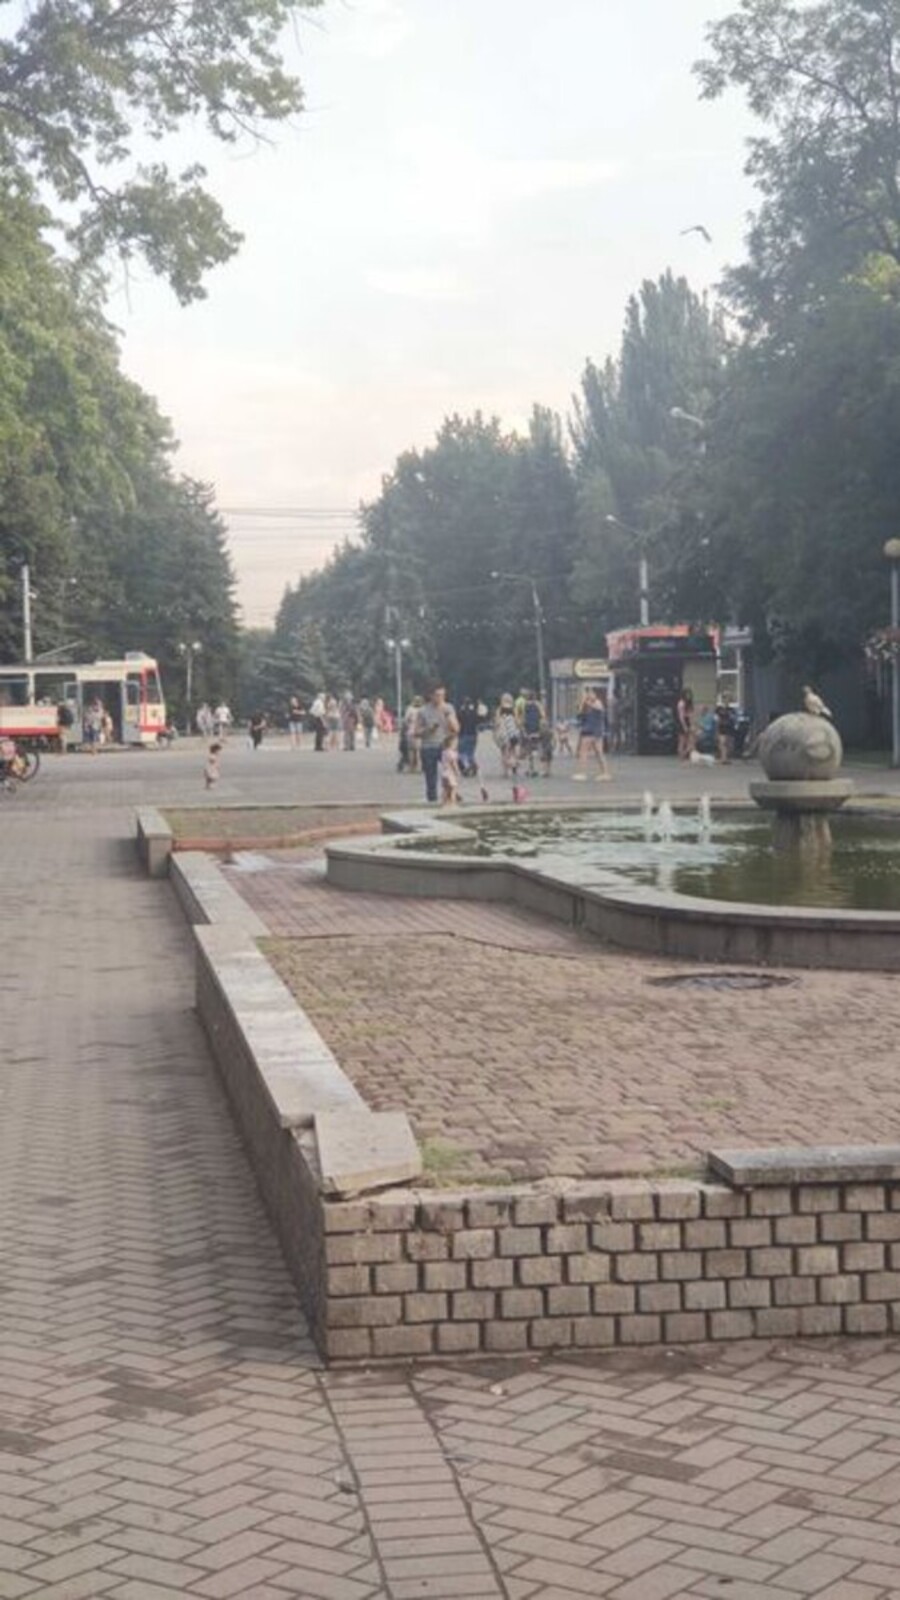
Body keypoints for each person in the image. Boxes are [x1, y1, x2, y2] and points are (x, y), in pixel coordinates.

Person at [415, 686, 458, 803]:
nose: (440, 698)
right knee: (431, 777)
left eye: (443, 695)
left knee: (449, 774)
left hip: (445, 747)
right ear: (431, 696)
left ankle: (451, 796)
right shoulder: (423, 711)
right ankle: (432, 800)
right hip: (428, 747)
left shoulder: (448, 708)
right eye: (438, 695)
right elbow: (416, 732)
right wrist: (428, 729)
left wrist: (449, 719)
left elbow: (456, 729)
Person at [574, 688, 611, 781]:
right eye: (588, 693)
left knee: (587, 752)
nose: (588, 695)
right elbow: (580, 715)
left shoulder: (597, 703)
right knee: (596, 752)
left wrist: (587, 702)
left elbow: (599, 708)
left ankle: (583, 773)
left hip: (594, 731)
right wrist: (583, 704)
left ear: (595, 694)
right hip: (589, 730)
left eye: (590, 693)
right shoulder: (586, 706)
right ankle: (604, 773)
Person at [493, 694, 521, 776]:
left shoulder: (499, 710)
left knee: (503, 752)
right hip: (512, 733)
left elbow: (497, 723)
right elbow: (517, 722)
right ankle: (514, 765)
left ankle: (505, 771)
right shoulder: (514, 709)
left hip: (503, 734)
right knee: (513, 751)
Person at [520, 690, 545, 777]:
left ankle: (531, 769)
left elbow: (523, 718)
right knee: (539, 747)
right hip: (537, 729)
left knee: (529, 749)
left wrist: (523, 728)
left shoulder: (525, 705)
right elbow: (543, 715)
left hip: (528, 729)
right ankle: (542, 769)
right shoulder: (538, 704)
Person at [457, 697, 480, 776]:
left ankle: (467, 766)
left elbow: (458, 722)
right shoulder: (474, 712)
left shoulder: (460, 713)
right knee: (470, 753)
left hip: (463, 734)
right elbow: (478, 721)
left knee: (461, 753)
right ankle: (473, 765)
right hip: (473, 734)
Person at [440, 735, 462, 804]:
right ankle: (452, 801)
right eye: (456, 743)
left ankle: (444, 801)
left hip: (444, 773)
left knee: (446, 789)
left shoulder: (444, 752)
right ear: (452, 744)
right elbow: (453, 763)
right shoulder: (452, 753)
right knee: (453, 789)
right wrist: (457, 771)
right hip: (450, 774)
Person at [715, 697, 736, 763]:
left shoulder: (731, 710)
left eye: (727, 700)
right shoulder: (719, 709)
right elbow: (716, 718)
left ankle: (726, 757)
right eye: (724, 700)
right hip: (722, 727)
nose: (726, 702)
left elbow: (733, 718)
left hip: (729, 728)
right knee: (723, 743)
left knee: (728, 744)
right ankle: (723, 758)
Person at [676, 688, 694, 760]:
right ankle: (681, 756)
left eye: (689, 694)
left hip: (688, 721)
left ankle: (685, 754)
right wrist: (684, 726)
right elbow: (681, 716)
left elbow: (690, 715)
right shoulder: (681, 703)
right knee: (682, 741)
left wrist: (691, 724)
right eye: (687, 694)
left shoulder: (689, 703)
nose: (688, 696)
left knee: (689, 740)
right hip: (683, 722)